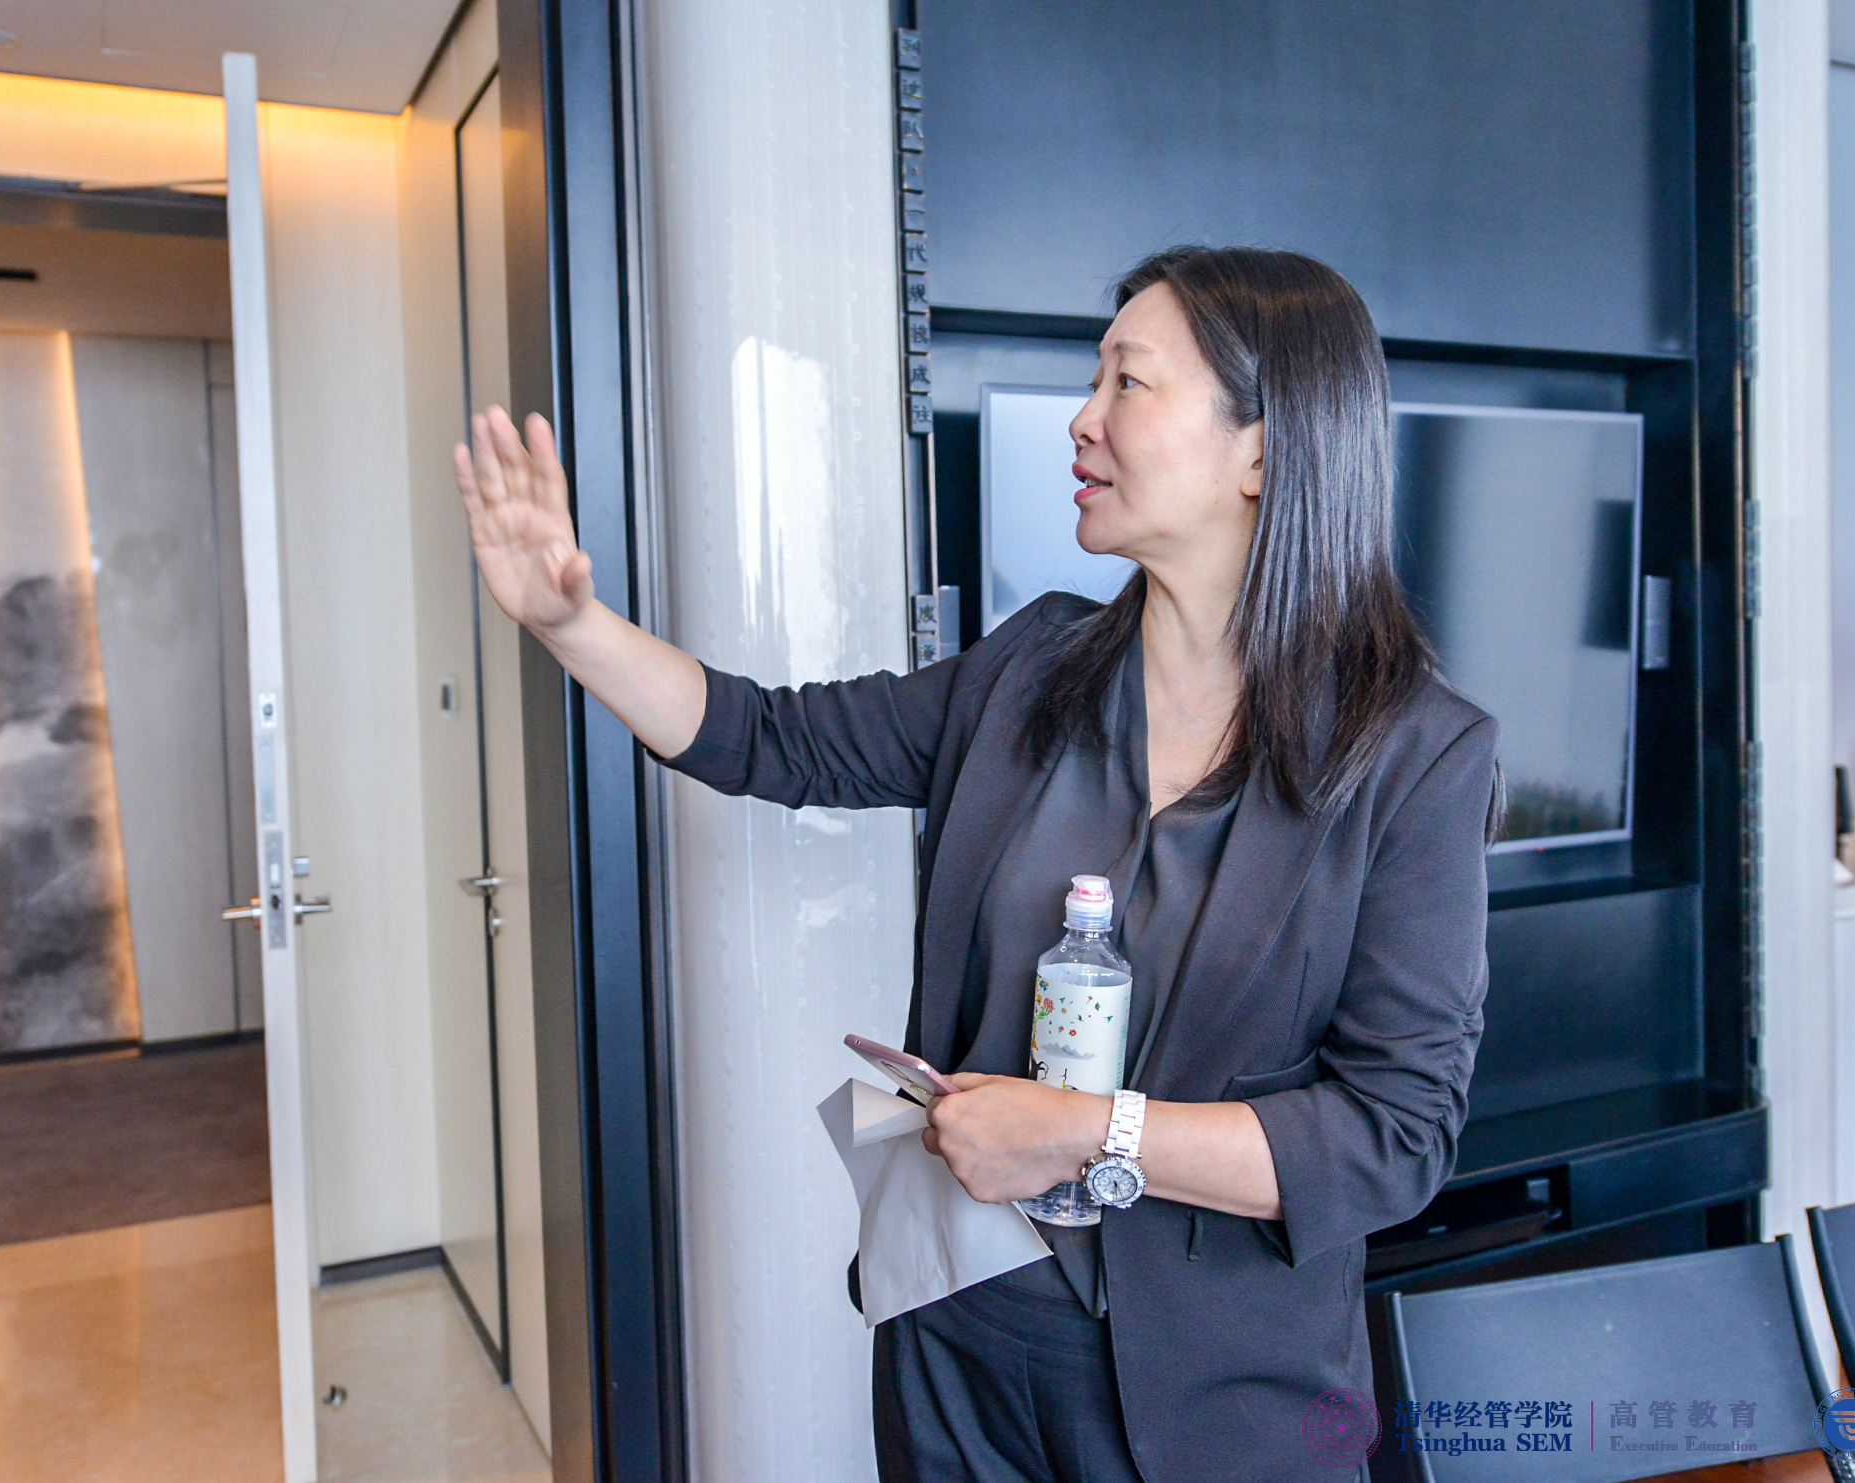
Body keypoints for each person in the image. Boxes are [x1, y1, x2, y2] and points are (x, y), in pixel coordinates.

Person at [454, 245, 1499, 1483]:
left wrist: (1085, 1132)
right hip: (955, 1340)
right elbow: (771, 737)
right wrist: (570, 622)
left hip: (1214, 1402)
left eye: (1127, 382)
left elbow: (1389, 1136)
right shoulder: (1029, 669)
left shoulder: (1413, 757)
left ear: (1261, 453)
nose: (1082, 418)